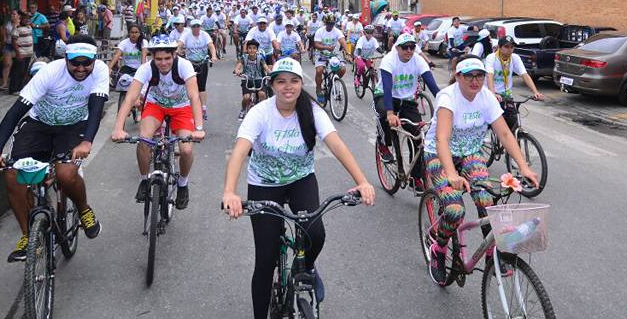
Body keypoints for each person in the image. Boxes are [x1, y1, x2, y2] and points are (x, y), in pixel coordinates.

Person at [221, 58, 376, 319]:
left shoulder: (312, 111)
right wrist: (229, 191)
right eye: (281, 81)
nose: (288, 87)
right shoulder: (259, 113)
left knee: (316, 233)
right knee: (266, 260)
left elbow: (337, 145)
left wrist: (362, 181)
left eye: (293, 81)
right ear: (272, 86)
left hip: (300, 180)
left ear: (301, 84)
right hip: (264, 185)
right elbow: (239, 152)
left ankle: (307, 268)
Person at [0, 34, 108, 261]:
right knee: (13, 175)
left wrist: (87, 142)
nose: (81, 68)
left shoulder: (99, 70)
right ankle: (28, 235)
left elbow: (96, 110)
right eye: (75, 62)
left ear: (94, 60)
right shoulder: (50, 72)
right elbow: (15, 113)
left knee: (65, 173)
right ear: (66, 58)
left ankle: (83, 209)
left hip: (74, 126)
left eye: (86, 63)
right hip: (39, 125)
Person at [425, 56, 541, 285]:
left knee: (488, 202)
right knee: (455, 210)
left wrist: (524, 167)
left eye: (479, 75)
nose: (475, 81)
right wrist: (451, 173)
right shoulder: (448, 97)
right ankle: (438, 247)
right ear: (458, 77)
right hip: (440, 154)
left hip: (470, 154)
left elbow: (505, 134)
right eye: (468, 75)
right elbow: (442, 138)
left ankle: (493, 251)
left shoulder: (486, 97)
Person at [112, 35, 205, 208]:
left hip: (181, 108)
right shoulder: (145, 68)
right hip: (156, 106)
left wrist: (199, 128)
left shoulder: (184, 66)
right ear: (152, 57)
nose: (163, 63)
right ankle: (144, 180)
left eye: (167, 58)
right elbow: (131, 97)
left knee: (185, 149)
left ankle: (183, 184)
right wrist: (118, 128)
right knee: (144, 140)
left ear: (174, 55)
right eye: (159, 59)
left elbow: (194, 96)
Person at [375, 33, 440, 186]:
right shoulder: (389, 60)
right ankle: (383, 143)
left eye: (412, 47)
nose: (409, 50)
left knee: (418, 137)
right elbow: (387, 86)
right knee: (385, 115)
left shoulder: (418, 61)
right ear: (397, 48)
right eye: (405, 47)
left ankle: (416, 178)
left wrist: (448, 104)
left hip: (407, 100)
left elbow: (433, 86)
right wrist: (390, 113)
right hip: (385, 95)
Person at [485, 36, 544, 101]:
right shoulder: (491, 58)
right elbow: (489, 76)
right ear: (499, 47)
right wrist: (493, 94)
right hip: (491, 94)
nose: (509, 49)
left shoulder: (515, 58)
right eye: (506, 47)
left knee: (513, 111)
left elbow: (525, 75)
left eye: (512, 47)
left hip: (506, 96)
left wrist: (535, 92)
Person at [182, 19, 217, 122]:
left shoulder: (204, 35)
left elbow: (211, 46)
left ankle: (203, 108)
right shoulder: (186, 35)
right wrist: (176, 52)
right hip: (190, 64)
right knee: (188, 86)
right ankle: (187, 108)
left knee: (201, 86)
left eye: (198, 26)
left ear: (200, 27)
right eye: (194, 26)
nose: (196, 28)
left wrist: (214, 56)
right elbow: (180, 44)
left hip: (202, 63)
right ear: (191, 27)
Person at [312, 15, 347, 104]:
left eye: (332, 24)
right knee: (319, 70)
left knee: (342, 69)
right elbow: (316, 44)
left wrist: (347, 52)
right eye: (329, 24)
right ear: (325, 23)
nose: (331, 25)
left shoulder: (337, 31)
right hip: (321, 54)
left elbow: (342, 40)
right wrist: (326, 47)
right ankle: (319, 89)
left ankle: (333, 81)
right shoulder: (320, 31)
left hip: (333, 54)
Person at [234, 39, 270, 119]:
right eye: (249, 48)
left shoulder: (260, 58)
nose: (252, 50)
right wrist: (237, 70)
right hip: (247, 79)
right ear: (247, 49)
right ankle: (243, 110)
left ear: (257, 50)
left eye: (254, 48)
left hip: (259, 78)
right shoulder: (244, 57)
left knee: (262, 94)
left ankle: (263, 111)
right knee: (246, 97)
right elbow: (238, 66)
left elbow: (266, 68)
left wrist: (271, 73)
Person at [9, 12, 35, 94]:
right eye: (26, 18)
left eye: (29, 18)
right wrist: (18, 53)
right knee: (17, 71)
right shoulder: (17, 28)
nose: (27, 20)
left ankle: (20, 88)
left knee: (24, 72)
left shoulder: (29, 27)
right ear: (21, 19)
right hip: (21, 53)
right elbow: (14, 42)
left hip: (28, 53)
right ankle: (14, 89)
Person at [0, 9, 20, 91]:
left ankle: (18, 83)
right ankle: (4, 83)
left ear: (18, 16)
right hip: (8, 45)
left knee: (19, 66)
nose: (12, 16)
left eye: (14, 14)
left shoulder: (21, 24)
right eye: (11, 14)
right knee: (7, 64)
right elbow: (4, 35)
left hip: (19, 46)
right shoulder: (7, 24)